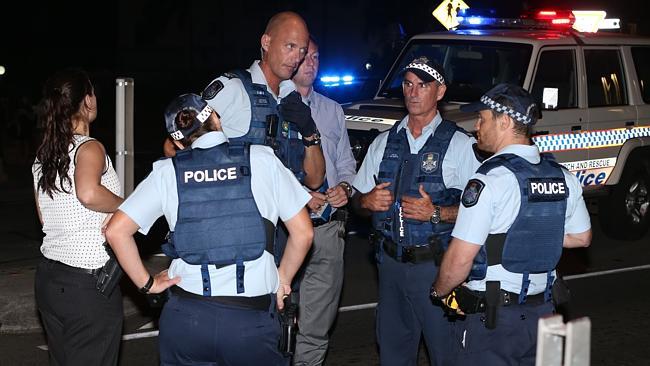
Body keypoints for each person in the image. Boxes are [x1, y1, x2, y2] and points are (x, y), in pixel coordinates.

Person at [104, 93, 313, 365]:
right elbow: (304, 233)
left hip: (187, 321)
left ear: (178, 141)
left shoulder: (167, 172)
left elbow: (116, 231)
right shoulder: (262, 159)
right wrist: (283, 280)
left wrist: (149, 284)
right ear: (216, 117)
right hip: (250, 322)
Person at [430, 84, 592, 365]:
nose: (476, 126)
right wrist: (531, 230)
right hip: (546, 315)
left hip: (495, 323)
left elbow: (459, 259)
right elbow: (581, 237)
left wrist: (439, 291)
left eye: (482, 118)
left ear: (504, 122)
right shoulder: (562, 176)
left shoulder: (489, 181)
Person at [351, 57, 481, 365]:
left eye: (423, 85)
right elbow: (357, 200)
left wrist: (436, 213)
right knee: (393, 355)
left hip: (436, 269)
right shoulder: (384, 142)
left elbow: (483, 214)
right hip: (390, 268)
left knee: (446, 354)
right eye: (408, 84)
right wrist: (365, 202)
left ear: (439, 92)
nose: (413, 92)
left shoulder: (460, 145)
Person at [31, 68, 124, 366]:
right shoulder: (89, 147)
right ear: (88, 100)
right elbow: (88, 193)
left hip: (49, 280)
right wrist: (128, 207)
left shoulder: (43, 155)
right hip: (87, 285)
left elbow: (45, 218)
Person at [282, 37, 357, 366]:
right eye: (304, 56)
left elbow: (346, 165)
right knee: (276, 319)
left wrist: (345, 188)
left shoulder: (332, 109)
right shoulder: (272, 105)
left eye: (316, 56)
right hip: (283, 230)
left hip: (327, 229)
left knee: (315, 328)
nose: (310, 62)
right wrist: (298, 195)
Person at [201, 11, 325, 190]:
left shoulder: (295, 101)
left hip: (278, 216)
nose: (297, 58)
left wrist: (308, 130)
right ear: (266, 42)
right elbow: (177, 147)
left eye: (302, 51)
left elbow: (314, 180)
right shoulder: (233, 89)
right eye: (290, 46)